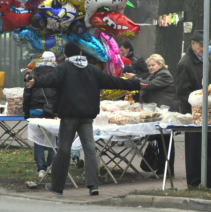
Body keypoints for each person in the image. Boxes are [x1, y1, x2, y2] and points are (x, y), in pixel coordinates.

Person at [26, 41, 142, 196]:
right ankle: (93, 185)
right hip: (87, 116)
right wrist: (134, 84)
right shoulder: (92, 70)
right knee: (89, 149)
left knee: (64, 149)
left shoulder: (63, 68)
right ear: (80, 54)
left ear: (66, 55)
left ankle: (57, 185)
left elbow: (50, 79)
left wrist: (35, 82)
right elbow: (113, 82)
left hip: (69, 116)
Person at [175, 30, 211, 188]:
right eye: (201, 45)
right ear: (193, 44)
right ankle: (194, 183)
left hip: (209, 113)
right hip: (193, 115)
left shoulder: (208, 61)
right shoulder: (185, 63)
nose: (203, 48)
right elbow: (182, 92)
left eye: (205, 45)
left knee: (208, 147)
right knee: (194, 149)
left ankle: (210, 180)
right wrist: (195, 107)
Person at [125, 54, 177, 177]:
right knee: (161, 140)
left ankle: (166, 170)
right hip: (159, 112)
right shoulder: (155, 75)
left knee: (165, 141)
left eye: (153, 65)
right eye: (149, 66)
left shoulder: (164, 74)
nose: (151, 67)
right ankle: (162, 169)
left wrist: (135, 78)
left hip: (165, 112)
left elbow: (150, 85)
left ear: (160, 64)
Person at [23, 51, 57, 179]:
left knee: (38, 139)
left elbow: (27, 94)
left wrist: (26, 112)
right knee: (54, 138)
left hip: (35, 109)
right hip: (52, 110)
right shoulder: (57, 74)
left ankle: (41, 168)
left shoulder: (32, 73)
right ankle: (52, 166)